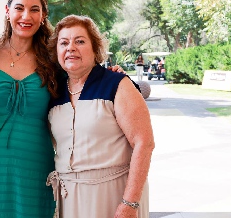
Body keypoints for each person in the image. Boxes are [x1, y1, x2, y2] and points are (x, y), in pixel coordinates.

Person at [46, 15, 155, 218]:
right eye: (64, 43)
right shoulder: (54, 92)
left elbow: (144, 142)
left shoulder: (117, 84)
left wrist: (129, 204)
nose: (71, 48)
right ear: (57, 51)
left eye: (79, 41)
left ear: (95, 49)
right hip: (69, 199)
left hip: (114, 195)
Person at [0, 0, 58, 218]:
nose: (26, 16)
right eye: (19, 8)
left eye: (34, 9)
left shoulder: (53, 60)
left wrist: (113, 76)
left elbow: (82, 81)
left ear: (43, 16)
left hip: (36, 158)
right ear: (7, 11)